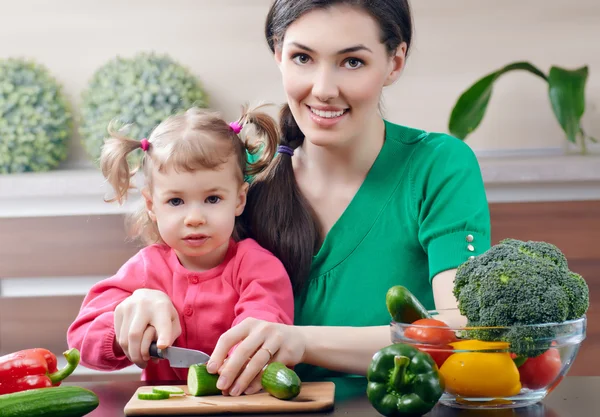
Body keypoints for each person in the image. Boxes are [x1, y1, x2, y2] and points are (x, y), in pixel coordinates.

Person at [109, 0, 491, 396]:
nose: (323, 89)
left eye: (352, 62)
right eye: (302, 57)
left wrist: (301, 341)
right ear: (278, 55)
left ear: (394, 62)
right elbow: (168, 270)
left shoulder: (437, 166)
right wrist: (141, 300)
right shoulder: (240, 175)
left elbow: (461, 328)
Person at [67, 105, 295, 381]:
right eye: (176, 201)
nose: (195, 218)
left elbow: (262, 330)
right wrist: (123, 331)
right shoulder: (144, 270)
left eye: (212, 199)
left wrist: (236, 359)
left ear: (239, 199)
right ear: (152, 204)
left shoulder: (259, 268)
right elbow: (81, 340)